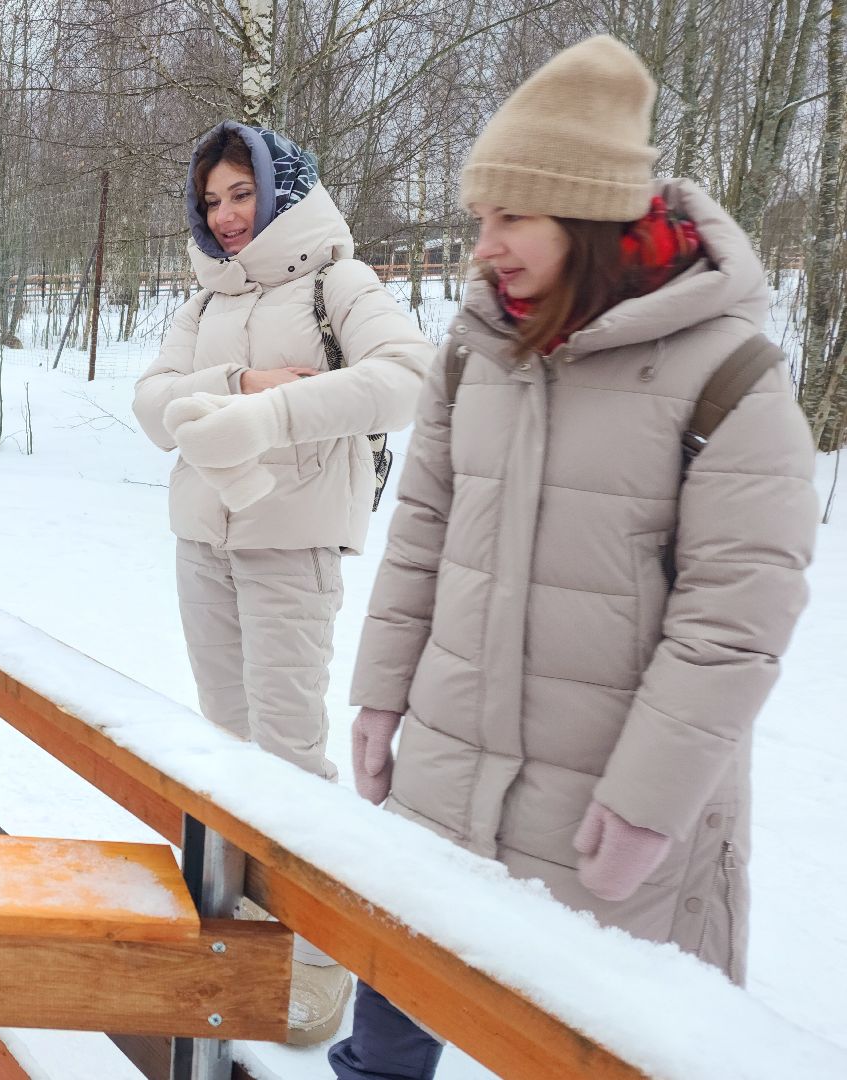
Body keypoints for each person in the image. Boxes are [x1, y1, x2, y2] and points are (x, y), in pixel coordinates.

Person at [335, 36, 819, 1078]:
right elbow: (418, 535)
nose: (483, 247)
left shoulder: (727, 374)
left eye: (511, 217)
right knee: (384, 1042)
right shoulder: (474, 353)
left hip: (604, 808)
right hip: (443, 775)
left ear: (587, 216)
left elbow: (735, 619)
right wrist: (379, 696)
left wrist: (648, 800)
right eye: (479, 216)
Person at [132, 121, 432, 1045]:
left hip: (291, 543)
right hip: (201, 539)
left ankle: (318, 956)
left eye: (241, 193)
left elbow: (407, 379)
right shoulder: (205, 296)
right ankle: (244, 924)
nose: (226, 215)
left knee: (290, 756)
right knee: (224, 739)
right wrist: (241, 379)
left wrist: (270, 412)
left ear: (281, 190)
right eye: (211, 200)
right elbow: (150, 404)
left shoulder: (338, 280)